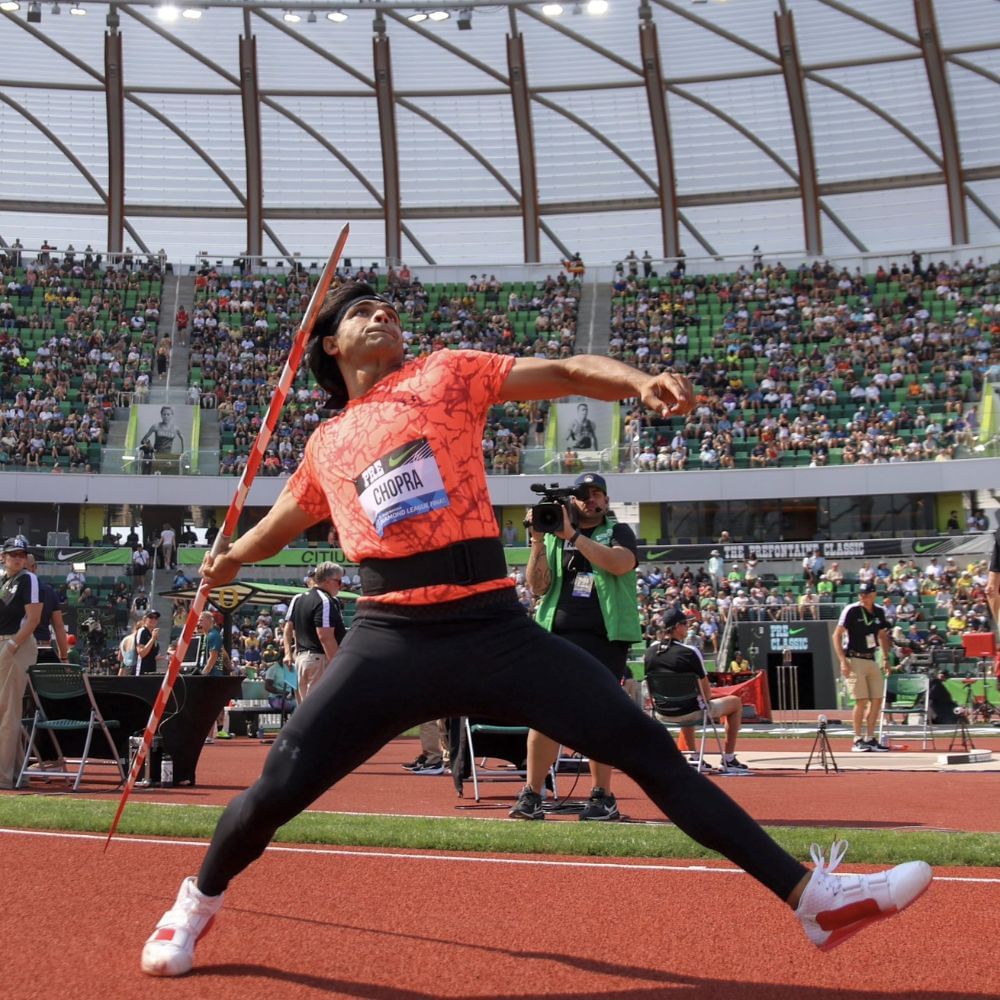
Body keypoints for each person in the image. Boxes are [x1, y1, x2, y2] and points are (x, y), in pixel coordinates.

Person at [140, 281, 931, 977]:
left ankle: (811, 899)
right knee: (278, 785)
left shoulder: (444, 373)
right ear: (328, 345)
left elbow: (567, 372)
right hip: (389, 638)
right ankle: (195, 901)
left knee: (647, 748)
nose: (382, 315)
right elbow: (283, 520)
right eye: (360, 312)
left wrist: (638, 381)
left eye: (388, 308)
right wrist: (229, 559)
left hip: (492, 625)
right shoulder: (324, 443)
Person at [512, 471, 641, 822]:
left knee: (600, 713)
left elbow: (620, 563)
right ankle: (532, 795)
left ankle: (602, 796)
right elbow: (537, 587)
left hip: (605, 638)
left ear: (606, 499)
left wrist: (573, 535)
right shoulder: (554, 537)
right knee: (545, 715)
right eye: (584, 494)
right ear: (573, 501)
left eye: (597, 493)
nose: (591, 500)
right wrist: (538, 540)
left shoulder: (618, 531)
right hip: (556, 635)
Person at [644, 610, 751, 773]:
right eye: (686, 624)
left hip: (661, 711)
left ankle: (694, 757)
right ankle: (729, 758)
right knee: (734, 702)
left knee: (687, 699)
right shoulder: (689, 652)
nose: (688, 627)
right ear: (678, 627)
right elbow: (706, 693)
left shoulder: (650, 652)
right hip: (691, 711)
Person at [832, 582, 893, 752]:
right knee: (861, 700)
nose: (862, 597)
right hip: (854, 658)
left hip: (871, 658)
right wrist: (842, 660)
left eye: (866, 594)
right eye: (860, 594)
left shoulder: (879, 611)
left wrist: (886, 658)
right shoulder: (852, 610)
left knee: (877, 700)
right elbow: (836, 635)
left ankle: (871, 737)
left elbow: (882, 635)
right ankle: (857, 738)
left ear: (874, 595)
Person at [0, 538, 41, 789]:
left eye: (21, 554)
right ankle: (15, 773)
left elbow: (34, 619)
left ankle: (3, 776)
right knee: (5, 710)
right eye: (13, 553)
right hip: (4, 643)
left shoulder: (28, 579)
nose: (18, 558)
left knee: (8, 711)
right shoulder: (4, 579)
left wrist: (12, 646)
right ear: (3, 556)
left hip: (17, 644)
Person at [282, 561, 345, 703]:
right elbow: (325, 637)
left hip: (301, 660)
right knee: (319, 710)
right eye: (339, 581)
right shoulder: (326, 600)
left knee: (305, 711)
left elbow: (288, 626)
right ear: (328, 581)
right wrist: (337, 665)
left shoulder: (298, 598)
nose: (341, 585)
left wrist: (287, 653)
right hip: (319, 660)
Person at [26, 554, 70, 663]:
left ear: (34, 567)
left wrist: (64, 657)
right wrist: (64, 658)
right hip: (41, 648)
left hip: (21, 648)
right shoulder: (48, 591)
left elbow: (59, 626)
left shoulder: (9, 591)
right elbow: (59, 626)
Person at [197, 611, 231, 742]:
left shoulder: (213, 635)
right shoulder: (206, 636)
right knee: (209, 705)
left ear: (208, 621)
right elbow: (222, 653)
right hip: (211, 674)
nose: (199, 623)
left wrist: (204, 672)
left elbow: (213, 657)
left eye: (201, 620)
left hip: (212, 676)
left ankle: (209, 735)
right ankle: (211, 733)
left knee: (209, 705)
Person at [135, 609, 161, 675]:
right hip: (142, 670)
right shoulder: (142, 631)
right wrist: (152, 639)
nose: (153, 619)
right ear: (145, 619)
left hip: (152, 670)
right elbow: (141, 653)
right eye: (151, 617)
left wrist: (166, 657)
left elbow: (152, 655)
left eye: (156, 618)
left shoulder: (153, 633)